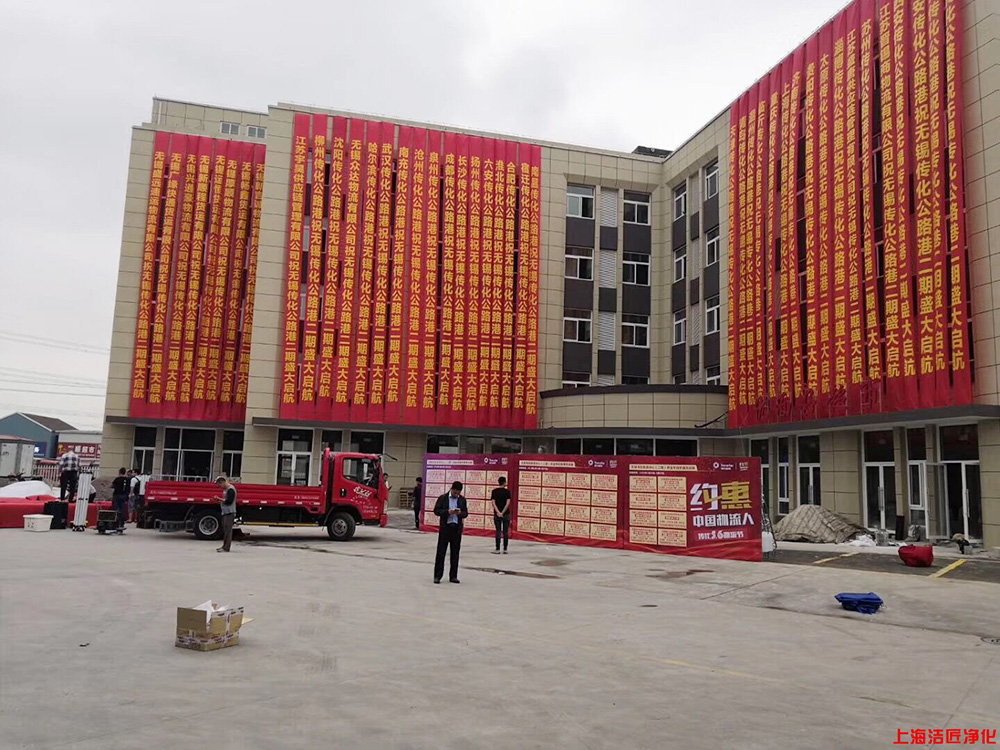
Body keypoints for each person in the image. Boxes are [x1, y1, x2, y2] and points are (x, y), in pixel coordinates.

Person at [433, 480, 468, 584]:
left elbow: (466, 513)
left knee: (455, 553)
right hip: (445, 528)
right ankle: (437, 576)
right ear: (451, 489)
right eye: (455, 492)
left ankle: (453, 576)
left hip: (456, 529)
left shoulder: (462, 500)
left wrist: (460, 513)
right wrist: (448, 512)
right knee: (441, 553)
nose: (456, 495)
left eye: (458, 493)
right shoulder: (443, 498)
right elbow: (436, 511)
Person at [214, 476, 237, 552]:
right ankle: (224, 546)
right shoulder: (225, 489)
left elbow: (229, 501)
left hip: (229, 512)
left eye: (219, 485)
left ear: (223, 482)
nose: (219, 487)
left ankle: (226, 547)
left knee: (228, 530)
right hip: (225, 512)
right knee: (225, 530)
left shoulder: (231, 489)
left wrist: (219, 499)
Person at [491, 476, 512, 554]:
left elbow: (493, 503)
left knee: (498, 531)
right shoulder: (507, 492)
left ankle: (497, 549)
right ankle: (505, 549)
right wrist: (502, 512)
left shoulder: (494, 491)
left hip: (497, 514)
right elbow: (508, 503)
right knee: (505, 532)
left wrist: (498, 512)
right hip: (506, 514)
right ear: (504, 483)